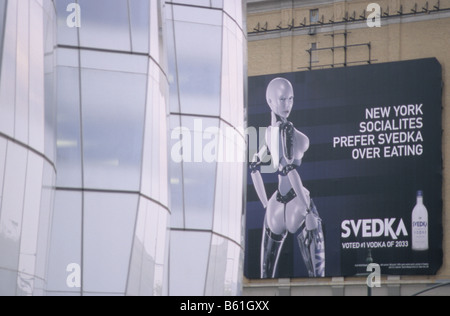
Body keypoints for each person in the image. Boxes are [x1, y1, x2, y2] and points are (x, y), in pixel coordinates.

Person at [250, 77, 325, 278]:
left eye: (291, 99)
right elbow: (288, 169)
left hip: (277, 205)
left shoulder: (271, 133)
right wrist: (308, 210)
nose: (288, 105)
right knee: (317, 278)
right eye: (283, 99)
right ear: (270, 102)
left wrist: (266, 205)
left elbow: (255, 167)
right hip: (296, 202)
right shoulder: (286, 132)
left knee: (265, 279)